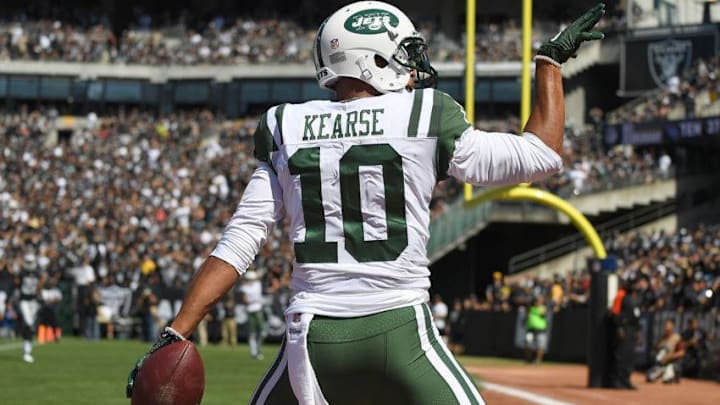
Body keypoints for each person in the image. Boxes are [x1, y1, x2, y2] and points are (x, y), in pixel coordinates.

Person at [126, 2, 606, 404]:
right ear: (371, 60)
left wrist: (177, 331)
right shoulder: (425, 114)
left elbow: (240, 242)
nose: (413, 66)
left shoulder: (285, 125)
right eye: (403, 54)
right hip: (400, 330)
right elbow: (538, 155)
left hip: (310, 341)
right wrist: (549, 63)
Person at [608, 274, 644, 389]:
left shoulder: (634, 296)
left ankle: (626, 380)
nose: (637, 286)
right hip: (624, 328)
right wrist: (619, 328)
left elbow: (636, 315)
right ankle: (616, 381)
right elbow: (615, 313)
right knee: (621, 356)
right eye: (635, 283)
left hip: (632, 330)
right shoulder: (621, 295)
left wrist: (638, 331)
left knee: (630, 356)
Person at [16, 253, 44, 363]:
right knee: (28, 323)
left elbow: (40, 285)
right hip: (24, 300)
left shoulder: (37, 273)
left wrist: (39, 293)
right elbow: (17, 284)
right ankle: (27, 352)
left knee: (30, 325)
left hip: (33, 301)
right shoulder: (22, 273)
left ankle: (27, 349)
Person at [646, 319, 685, 384]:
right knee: (650, 377)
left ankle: (673, 376)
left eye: (669, 325)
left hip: (672, 363)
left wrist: (670, 356)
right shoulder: (662, 338)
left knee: (667, 379)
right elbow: (656, 350)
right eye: (666, 325)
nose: (666, 327)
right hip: (661, 364)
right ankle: (661, 374)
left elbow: (682, 352)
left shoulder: (676, 338)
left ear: (673, 326)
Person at [241, 270, 266, 359]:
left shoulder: (257, 284)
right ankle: (254, 352)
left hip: (258, 310)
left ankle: (258, 349)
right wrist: (253, 300)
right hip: (250, 311)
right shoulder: (244, 288)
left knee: (263, 332)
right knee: (252, 333)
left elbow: (261, 274)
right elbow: (245, 300)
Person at [525, 295, 548, 363]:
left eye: (540, 301)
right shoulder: (530, 308)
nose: (538, 302)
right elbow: (527, 314)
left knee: (540, 345)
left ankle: (538, 360)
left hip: (540, 329)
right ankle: (528, 359)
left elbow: (543, 314)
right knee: (528, 344)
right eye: (537, 301)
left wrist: (539, 307)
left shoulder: (543, 308)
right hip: (530, 329)